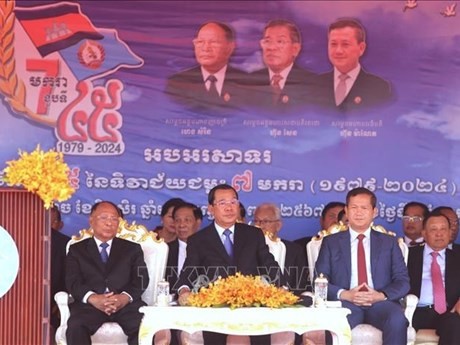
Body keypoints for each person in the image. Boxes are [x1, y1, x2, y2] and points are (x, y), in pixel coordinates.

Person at [176, 184, 282, 345]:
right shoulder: (198, 240)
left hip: (252, 306)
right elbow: (188, 272)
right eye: (223, 203)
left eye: (233, 202)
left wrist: (282, 286)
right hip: (216, 308)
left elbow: (269, 264)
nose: (229, 208)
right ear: (211, 208)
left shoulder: (253, 234)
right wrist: (183, 290)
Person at [315, 187, 410, 345]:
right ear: (346, 210)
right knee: (328, 326)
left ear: (374, 212)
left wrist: (380, 295)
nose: (358, 212)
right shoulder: (331, 242)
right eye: (353, 208)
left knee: (397, 319)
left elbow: (403, 281)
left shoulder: (389, 243)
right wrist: (345, 294)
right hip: (345, 304)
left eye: (364, 208)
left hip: (380, 303)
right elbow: (319, 280)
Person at [65, 201, 149, 345]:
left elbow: (141, 279)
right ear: (91, 220)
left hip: (126, 306)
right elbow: (72, 281)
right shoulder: (76, 250)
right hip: (90, 306)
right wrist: (93, 298)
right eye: (104, 218)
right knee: (76, 326)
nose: (109, 223)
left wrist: (124, 298)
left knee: (144, 327)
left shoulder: (132, 249)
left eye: (114, 219)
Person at [165, 21, 247, 113]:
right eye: (200, 42)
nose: (205, 48)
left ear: (230, 47)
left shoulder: (246, 82)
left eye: (213, 42)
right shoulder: (178, 83)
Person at [314, 18, 392, 113]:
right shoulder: (313, 85)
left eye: (345, 44)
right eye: (333, 44)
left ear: (361, 48)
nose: (338, 51)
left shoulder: (378, 88)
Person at [407, 210, 460, 344]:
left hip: (448, 312)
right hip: (415, 310)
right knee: (397, 322)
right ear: (424, 233)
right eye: (433, 229)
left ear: (449, 233)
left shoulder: (458, 257)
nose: (439, 234)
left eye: (443, 229)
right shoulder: (408, 255)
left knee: (454, 324)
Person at [248, 19, 316, 112]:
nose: (271, 48)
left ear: (295, 49)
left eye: (280, 42)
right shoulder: (249, 83)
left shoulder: (312, 84)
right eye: (267, 41)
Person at [253, 203, 308, 294]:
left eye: (266, 221)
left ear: (278, 225)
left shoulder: (295, 250)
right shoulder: (247, 248)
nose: (260, 226)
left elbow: (300, 283)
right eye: (257, 221)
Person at [166, 202, 203, 293]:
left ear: (198, 223)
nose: (182, 225)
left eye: (187, 220)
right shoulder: (165, 250)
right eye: (178, 220)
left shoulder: (209, 249)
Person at [50, 205, 70, 340]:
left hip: (52, 300)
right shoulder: (16, 240)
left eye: (51, 222)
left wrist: (59, 300)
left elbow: (69, 276)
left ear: (60, 224)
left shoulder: (66, 244)